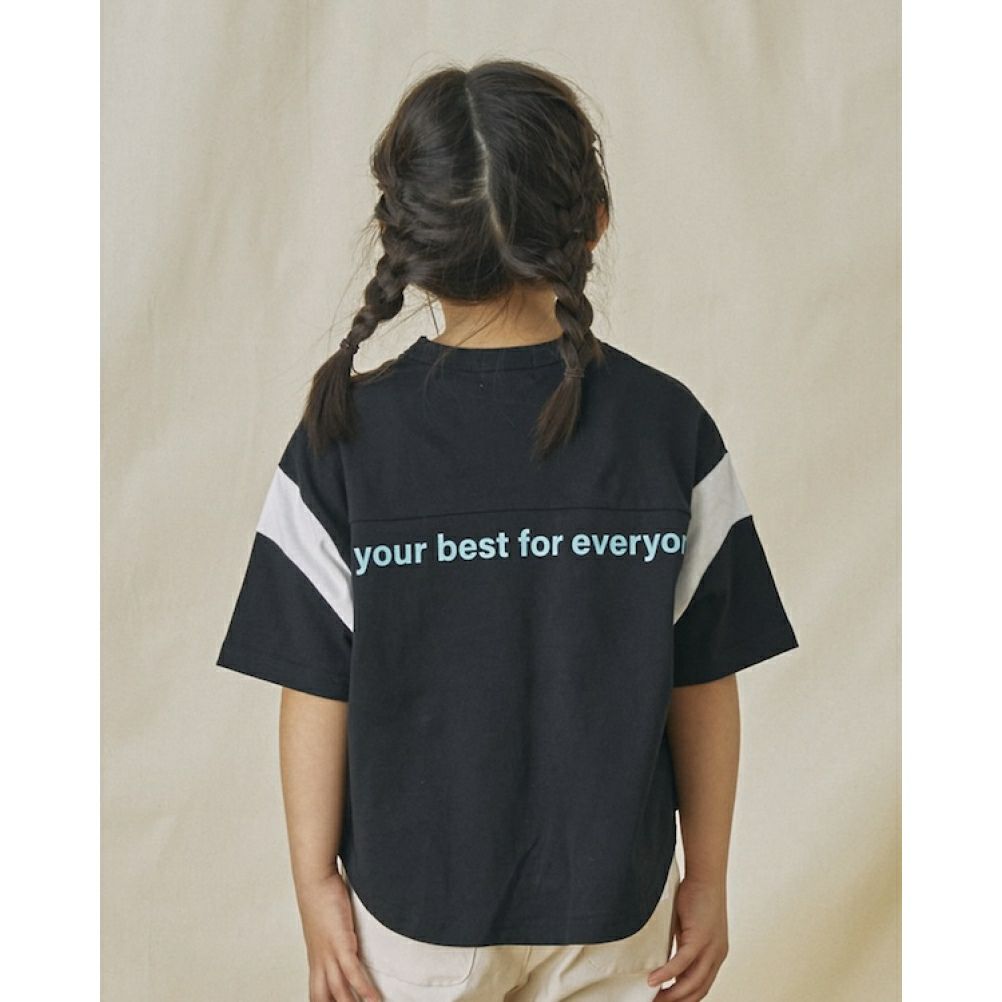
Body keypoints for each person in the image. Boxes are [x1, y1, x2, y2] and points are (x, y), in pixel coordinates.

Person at [215, 59, 799, 1002]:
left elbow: (315, 687)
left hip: (411, 910)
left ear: (405, 240)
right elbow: (703, 677)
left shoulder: (341, 439)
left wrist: (315, 881)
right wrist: (708, 876)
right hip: (615, 900)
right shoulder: (668, 427)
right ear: (594, 221)